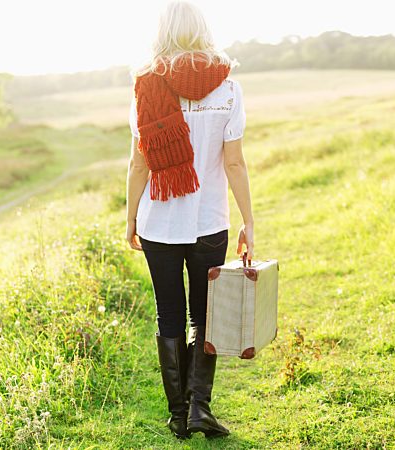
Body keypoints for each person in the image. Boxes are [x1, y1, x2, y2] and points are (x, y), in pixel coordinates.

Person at [124, 0, 254, 440]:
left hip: (159, 222)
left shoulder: (145, 85)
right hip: (210, 222)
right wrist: (248, 222)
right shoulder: (229, 88)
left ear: (162, 32)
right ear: (202, 29)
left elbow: (139, 165)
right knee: (205, 314)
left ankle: (178, 416)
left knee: (170, 316)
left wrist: (130, 220)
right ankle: (200, 408)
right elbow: (234, 164)